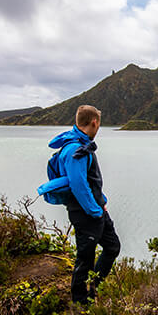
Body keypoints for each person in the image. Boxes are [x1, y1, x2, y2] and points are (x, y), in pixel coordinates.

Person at [47, 105, 121, 304]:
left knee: (112, 247)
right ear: (94, 123)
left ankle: (94, 287)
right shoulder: (75, 149)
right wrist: (94, 210)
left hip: (96, 209)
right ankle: (80, 301)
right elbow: (78, 185)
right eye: (99, 125)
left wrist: (101, 202)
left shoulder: (81, 143)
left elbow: (90, 181)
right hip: (86, 213)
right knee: (85, 258)